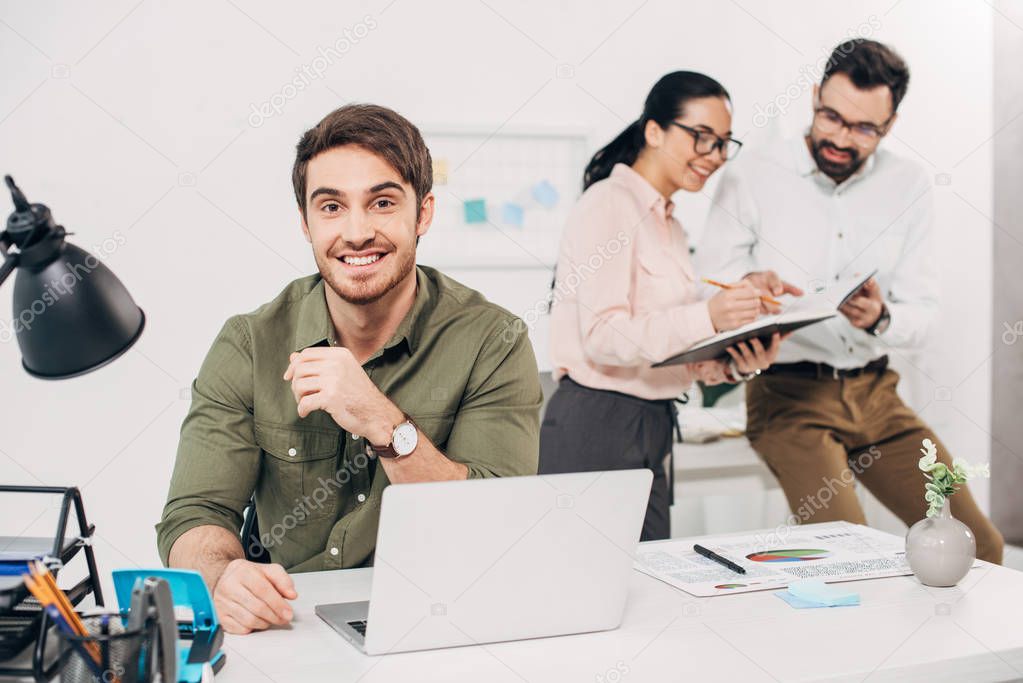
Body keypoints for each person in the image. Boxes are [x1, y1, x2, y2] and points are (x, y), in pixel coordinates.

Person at [156, 104, 543, 633]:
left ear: (423, 213)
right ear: (306, 222)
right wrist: (223, 576)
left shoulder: (492, 340)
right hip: (287, 627)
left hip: (442, 623)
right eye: (332, 207)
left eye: (382, 202)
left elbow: (498, 523)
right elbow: (194, 514)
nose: (356, 232)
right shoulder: (249, 343)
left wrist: (385, 425)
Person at [696, 39, 1004, 563]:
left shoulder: (907, 185)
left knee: (978, 548)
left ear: (890, 124)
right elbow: (708, 288)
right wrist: (752, 291)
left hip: (879, 397)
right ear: (814, 97)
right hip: (789, 399)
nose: (841, 138)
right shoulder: (753, 174)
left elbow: (924, 314)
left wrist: (881, 318)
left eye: (863, 129)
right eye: (831, 117)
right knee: (851, 556)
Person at [540, 71, 784, 541]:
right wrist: (710, 315)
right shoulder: (609, 204)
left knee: (648, 593)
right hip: (598, 424)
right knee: (590, 598)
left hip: (651, 424)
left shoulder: (671, 227)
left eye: (723, 143)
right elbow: (605, 337)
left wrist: (735, 362)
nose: (713, 156)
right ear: (654, 131)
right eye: (701, 137)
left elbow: (665, 347)